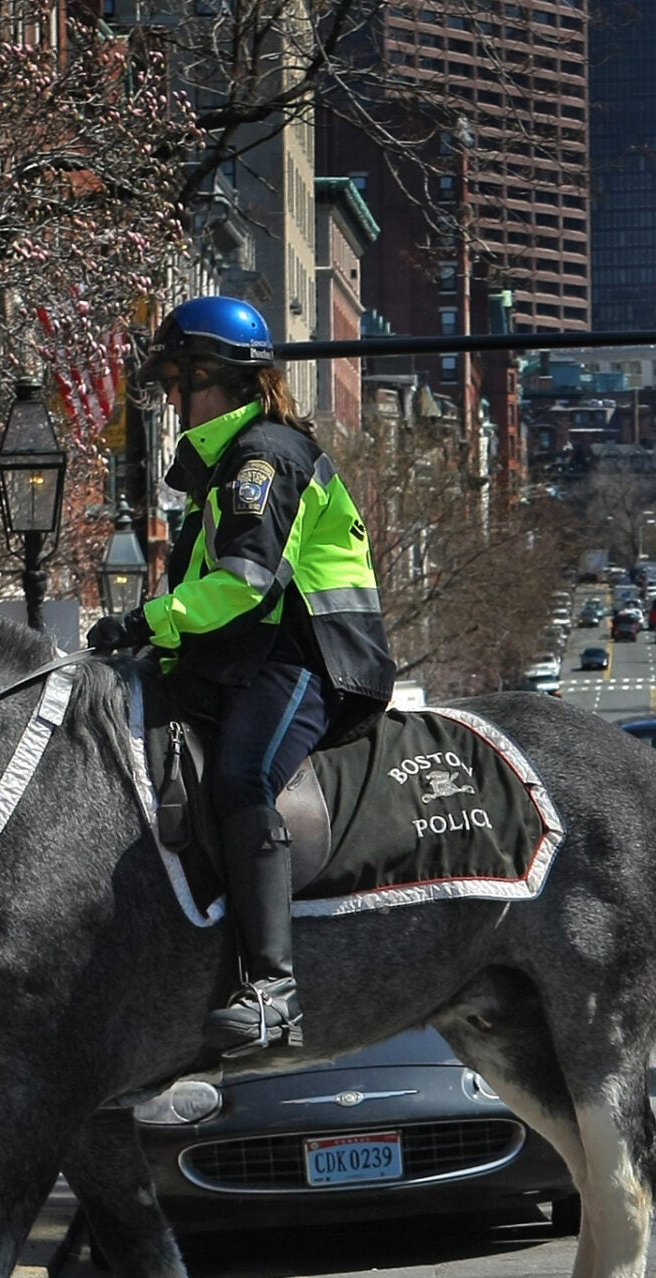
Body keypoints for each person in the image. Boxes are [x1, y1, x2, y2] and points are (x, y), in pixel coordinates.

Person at [92, 296, 397, 1054]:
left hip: (311, 654)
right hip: (246, 654)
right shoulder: (223, 466)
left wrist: (146, 621)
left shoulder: (265, 458)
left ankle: (273, 991)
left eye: (179, 381)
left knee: (242, 777)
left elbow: (245, 583)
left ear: (219, 378)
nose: (171, 397)